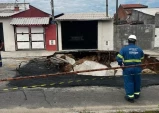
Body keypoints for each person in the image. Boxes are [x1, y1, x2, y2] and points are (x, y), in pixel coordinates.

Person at [116, 35, 144, 103]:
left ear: (128, 41)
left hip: (128, 68)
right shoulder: (139, 49)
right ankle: (136, 94)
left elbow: (118, 58)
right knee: (137, 81)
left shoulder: (124, 49)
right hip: (137, 68)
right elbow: (142, 59)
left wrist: (121, 65)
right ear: (135, 41)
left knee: (129, 82)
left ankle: (130, 97)